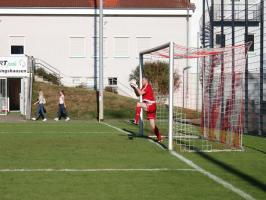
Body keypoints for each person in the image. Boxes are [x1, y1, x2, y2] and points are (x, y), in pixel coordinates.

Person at [130, 77, 163, 142]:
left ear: (146, 81)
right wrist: (134, 88)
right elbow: (137, 94)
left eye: (143, 80)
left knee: (138, 104)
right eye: (141, 80)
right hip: (151, 106)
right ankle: (159, 138)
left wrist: (136, 86)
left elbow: (140, 93)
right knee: (153, 125)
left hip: (151, 105)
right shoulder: (144, 87)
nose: (142, 81)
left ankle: (136, 120)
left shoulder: (147, 86)